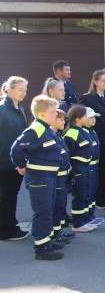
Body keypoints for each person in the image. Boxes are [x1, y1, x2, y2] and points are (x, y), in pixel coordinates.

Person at [11, 95, 66, 260]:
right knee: (42, 212)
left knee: (48, 210)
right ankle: (41, 248)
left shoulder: (46, 128)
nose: (56, 115)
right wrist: (21, 165)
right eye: (52, 112)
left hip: (49, 176)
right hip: (40, 178)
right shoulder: (35, 129)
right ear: (41, 114)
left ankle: (46, 240)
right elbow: (16, 149)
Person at [79, 70, 105, 209]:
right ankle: (96, 198)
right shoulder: (87, 98)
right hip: (94, 138)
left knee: (104, 170)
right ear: (95, 81)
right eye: (103, 81)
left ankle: (102, 196)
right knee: (96, 171)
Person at [0, 76, 30, 241]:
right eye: (20, 89)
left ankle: (10, 224)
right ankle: (6, 230)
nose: (23, 93)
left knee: (11, 195)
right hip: (4, 162)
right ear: (9, 89)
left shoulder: (21, 110)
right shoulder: (2, 110)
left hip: (16, 161)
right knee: (7, 195)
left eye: (25, 90)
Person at [63, 105, 98, 232]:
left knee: (86, 195)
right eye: (84, 116)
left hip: (86, 168)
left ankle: (85, 220)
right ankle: (78, 224)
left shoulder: (82, 131)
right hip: (78, 170)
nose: (87, 118)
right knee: (79, 196)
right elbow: (67, 155)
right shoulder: (71, 134)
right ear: (77, 118)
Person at [51, 109, 72, 244]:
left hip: (62, 177)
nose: (64, 122)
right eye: (61, 119)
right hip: (55, 177)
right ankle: (54, 234)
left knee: (60, 204)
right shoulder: (50, 135)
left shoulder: (58, 135)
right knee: (55, 206)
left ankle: (58, 231)